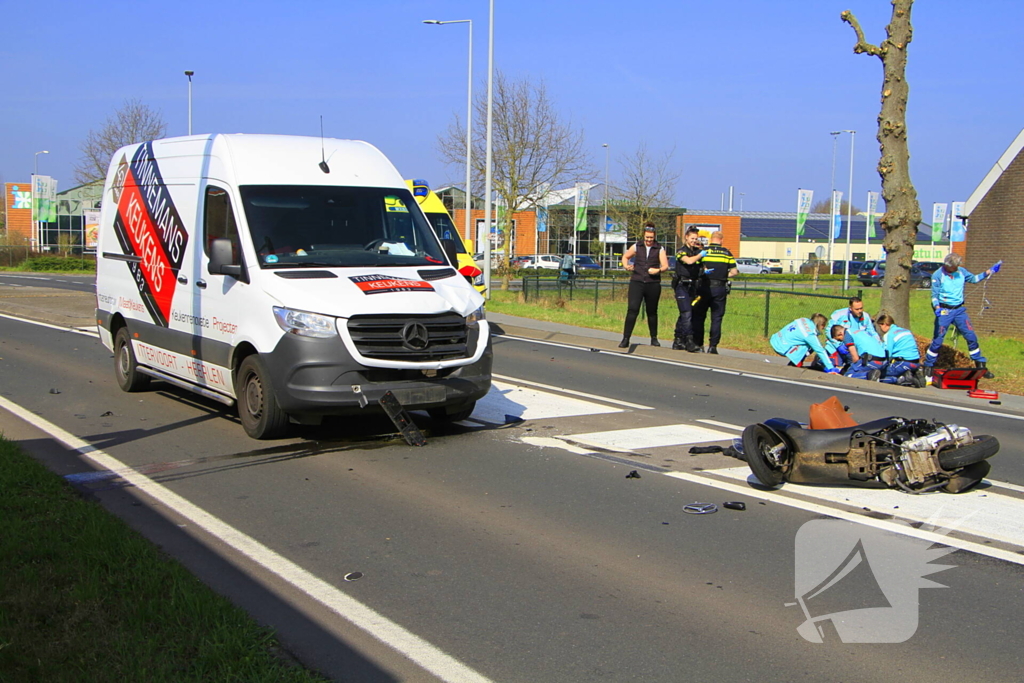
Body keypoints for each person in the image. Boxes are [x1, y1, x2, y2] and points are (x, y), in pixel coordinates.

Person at [924, 253, 1001, 378]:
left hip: (959, 310)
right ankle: (928, 366)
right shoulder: (938, 275)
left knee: (971, 336)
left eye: (957, 266)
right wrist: (937, 308)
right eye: (954, 267)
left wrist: (989, 271)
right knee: (938, 339)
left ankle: (980, 366)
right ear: (947, 265)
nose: (956, 268)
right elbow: (934, 295)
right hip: (944, 310)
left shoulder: (961, 272)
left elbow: (974, 279)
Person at [620, 223, 669, 347]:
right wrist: (626, 266)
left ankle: (654, 338)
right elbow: (625, 257)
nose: (648, 240)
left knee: (652, 311)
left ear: (654, 237)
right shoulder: (637, 246)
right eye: (647, 237)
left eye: (651, 238)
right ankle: (626, 338)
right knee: (633, 309)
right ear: (644, 236)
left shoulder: (659, 248)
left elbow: (665, 266)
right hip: (637, 282)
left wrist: (657, 270)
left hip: (653, 283)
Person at [691, 231, 738, 354]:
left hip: (704, 286)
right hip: (720, 288)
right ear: (721, 240)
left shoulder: (704, 252)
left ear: (711, 239)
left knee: (699, 316)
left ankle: (699, 344)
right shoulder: (727, 253)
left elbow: (696, 268)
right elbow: (734, 272)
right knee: (716, 318)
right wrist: (723, 275)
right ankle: (713, 346)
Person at [670, 227, 706, 352]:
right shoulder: (681, 251)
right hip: (681, 286)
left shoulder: (696, 251)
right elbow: (689, 262)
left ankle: (678, 340)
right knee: (686, 312)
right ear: (686, 237)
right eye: (692, 238)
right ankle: (689, 340)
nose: (694, 241)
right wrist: (700, 255)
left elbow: (700, 266)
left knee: (685, 312)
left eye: (696, 239)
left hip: (693, 287)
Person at [770, 313, 839, 373]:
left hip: (775, 339)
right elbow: (820, 350)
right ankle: (796, 364)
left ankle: (795, 362)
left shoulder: (803, 320)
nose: (824, 328)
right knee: (810, 346)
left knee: (806, 343)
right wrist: (830, 367)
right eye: (823, 325)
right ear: (819, 324)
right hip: (781, 347)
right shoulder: (809, 334)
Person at [875, 314, 925, 387]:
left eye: (880, 326)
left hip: (904, 362)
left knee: (881, 374)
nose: (880, 329)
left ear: (885, 324)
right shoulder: (906, 331)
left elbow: (887, 354)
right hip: (916, 362)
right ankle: (913, 374)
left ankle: (902, 378)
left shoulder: (889, 335)